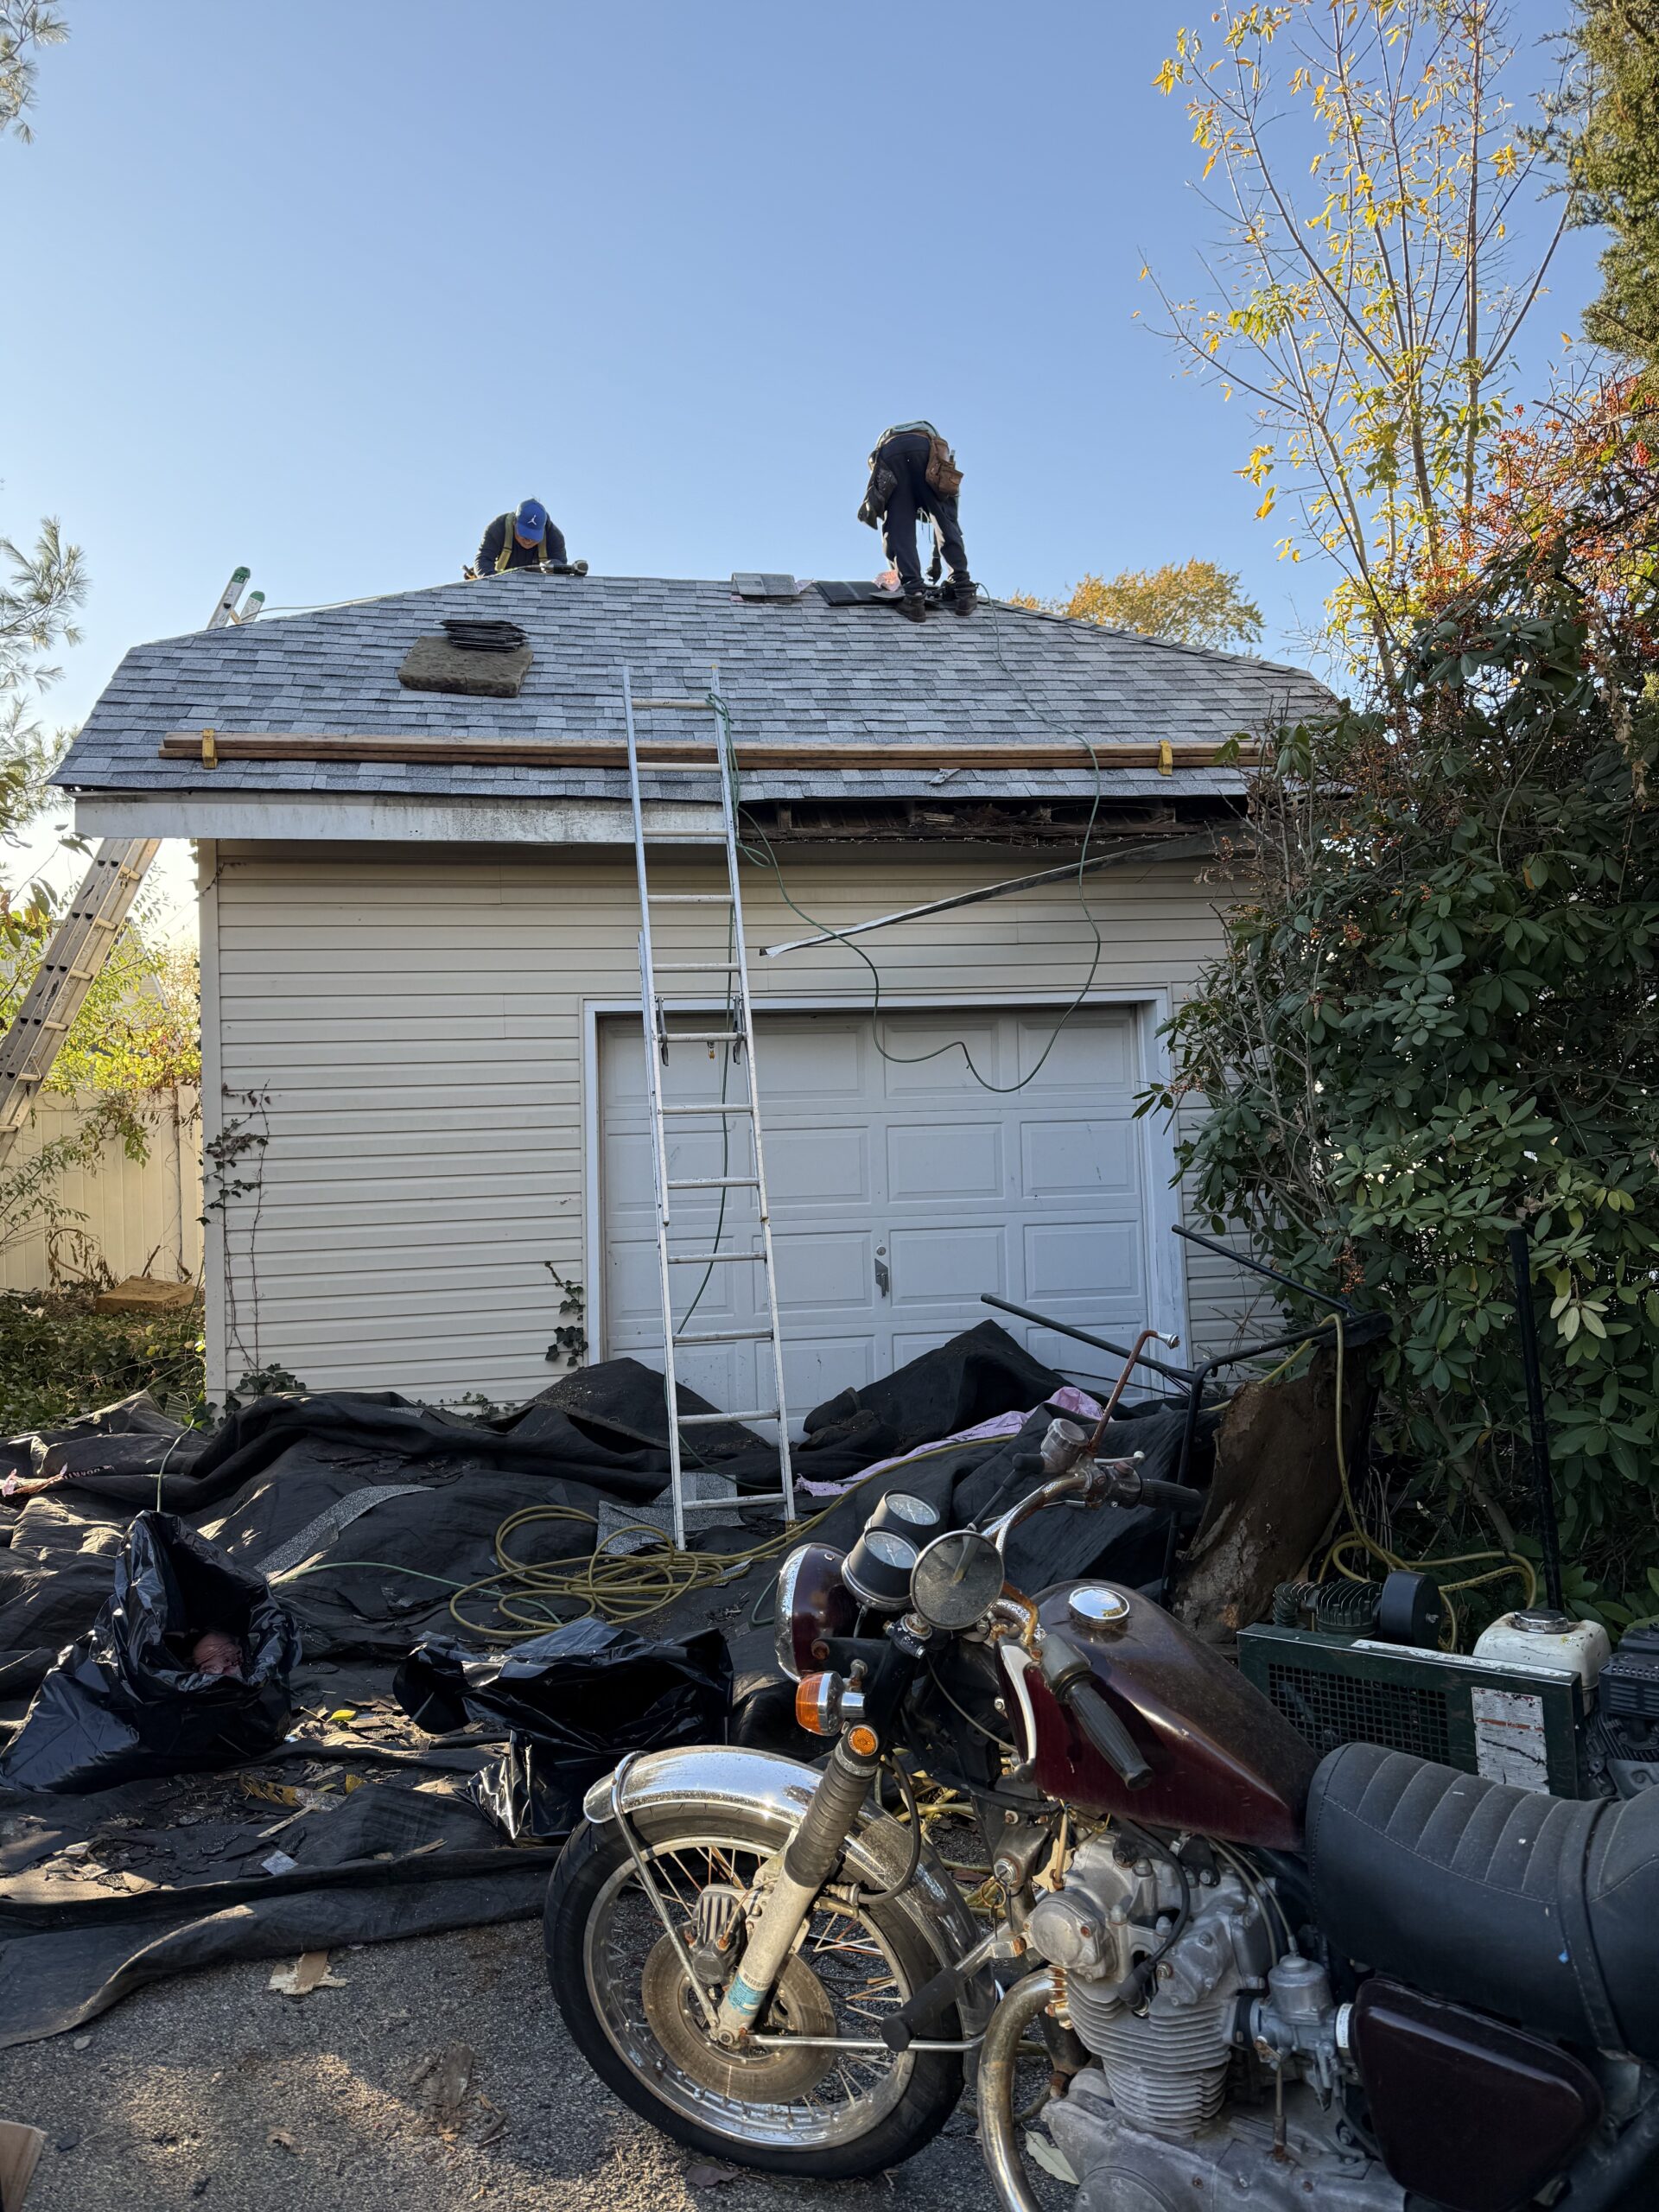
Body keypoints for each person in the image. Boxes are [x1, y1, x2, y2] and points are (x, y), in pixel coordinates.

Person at [858, 421, 974, 622]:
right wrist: (940, 566)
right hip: (927, 449)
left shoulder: (910, 495)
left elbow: (896, 533)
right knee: (944, 520)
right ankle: (963, 591)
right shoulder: (938, 485)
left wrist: (906, 578)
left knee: (897, 524)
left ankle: (914, 599)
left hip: (888, 452)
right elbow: (947, 525)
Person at [472, 498, 569, 576]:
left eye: (534, 537)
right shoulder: (497, 528)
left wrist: (553, 567)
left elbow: (562, 572)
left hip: (539, 586)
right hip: (501, 579)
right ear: (514, 522)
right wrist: (491, 583)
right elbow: (483, 559)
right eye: (524, 535)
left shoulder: (555, 537)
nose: (528, 541)